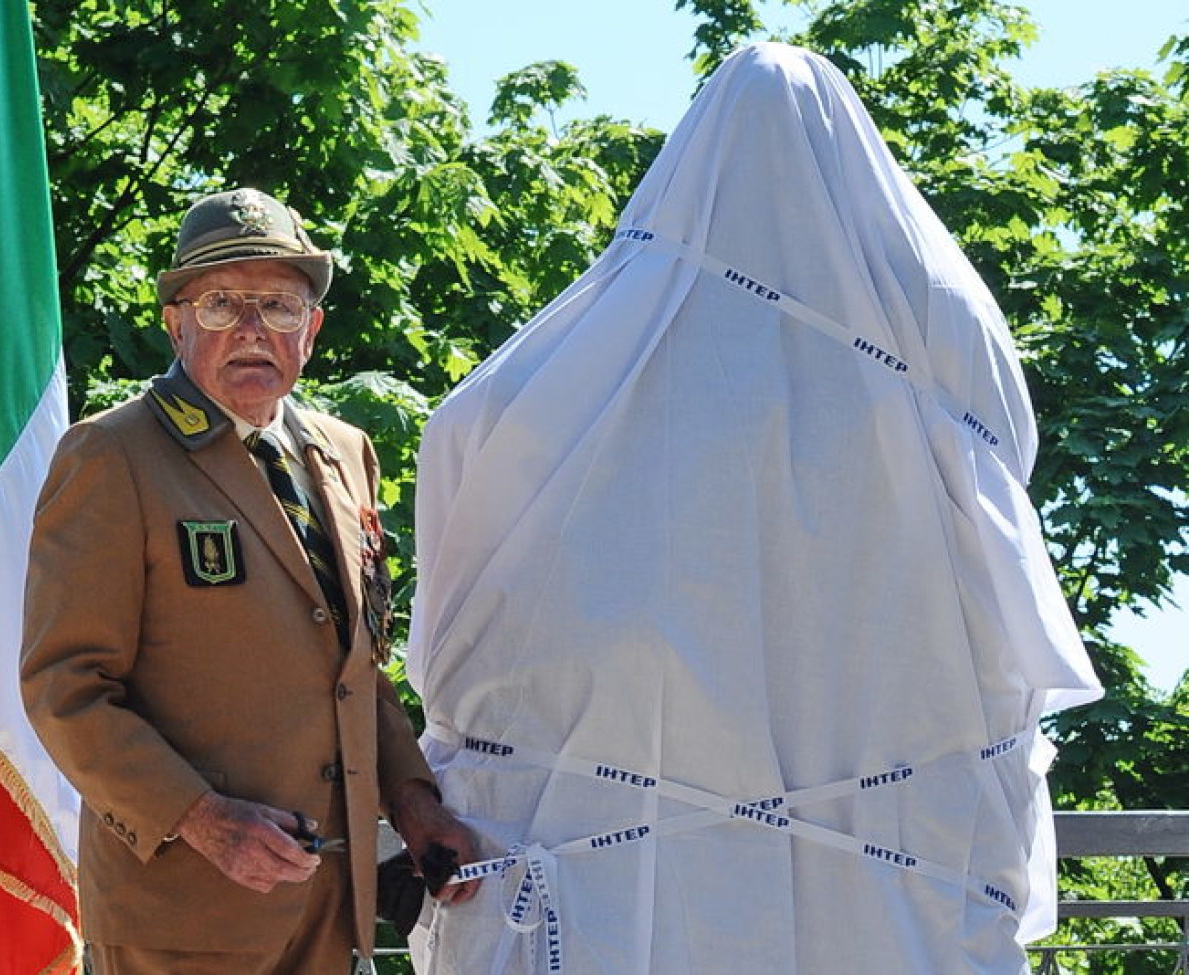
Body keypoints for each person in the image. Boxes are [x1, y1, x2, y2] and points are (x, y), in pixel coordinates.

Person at [404, 44, 1102, 974]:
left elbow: (467, 449)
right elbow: (1005, 489)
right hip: (891, 830)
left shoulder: (585, 353)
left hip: (625, 848)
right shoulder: (936, 317)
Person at [21, 186, 477, 975]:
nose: (253, 331)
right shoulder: (113, 457)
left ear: (314, 328)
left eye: (278, 306)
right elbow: (66, 686)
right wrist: (200, 816)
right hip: (184, 916)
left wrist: (414, 803)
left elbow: (357, 673)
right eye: (223, 305)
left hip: (335, 909)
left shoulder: (344, 453)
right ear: (175, 323)